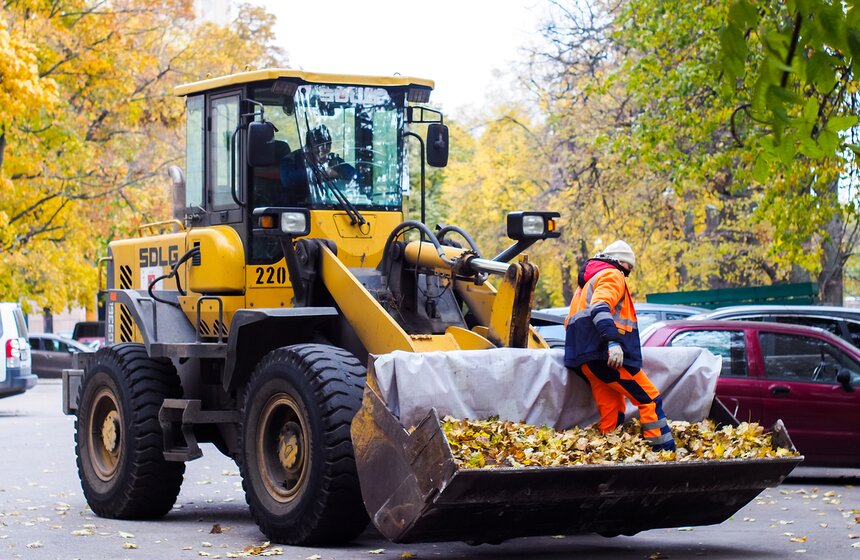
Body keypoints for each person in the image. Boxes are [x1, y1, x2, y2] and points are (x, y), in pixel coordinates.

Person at [563, 240, 676, 451]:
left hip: (588, 361)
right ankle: (663, 453)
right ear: (620, 263)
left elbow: (570, 323)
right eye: (628, 268)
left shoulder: (585, 285)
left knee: (612, 412)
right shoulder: (612, 275)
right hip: (608, 357)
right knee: (650, 399)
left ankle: (608, 456)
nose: (627, 273)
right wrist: (613, 342)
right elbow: (600, 307)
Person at [280, 124, 356, 203]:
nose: (325, 148)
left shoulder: (333, 159)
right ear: (308, 147)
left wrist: (338, 174)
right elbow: (288, 181)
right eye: (319, 145)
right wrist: (319, 173)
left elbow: (355, 175)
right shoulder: (292, 159)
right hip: (297, 207)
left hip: (328, 204)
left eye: (328, 144)